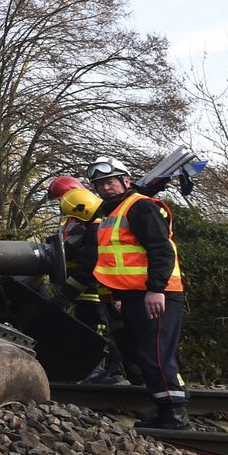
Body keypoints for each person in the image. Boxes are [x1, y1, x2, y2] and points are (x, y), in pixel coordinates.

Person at [83, 156, 190, 429]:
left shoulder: (140, 207)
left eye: (110, 182)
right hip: (133, 294)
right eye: (100, 184)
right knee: (145, 352)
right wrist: (117, 294)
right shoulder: (112, 213)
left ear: (125, 181)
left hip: (155, 293)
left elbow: (161, 250)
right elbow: (116, 259)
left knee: (155, 352)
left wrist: (156, 289)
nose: (105, 188)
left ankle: (175, 415)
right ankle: (166, 409)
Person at [47, 176, 128, 384]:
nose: (61, 205)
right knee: (91, 329)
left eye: (62, 199)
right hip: (81, 289)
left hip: (92, 289)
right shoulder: (76, 221)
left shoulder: (95, 225)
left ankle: (109, 373)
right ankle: (103, 373)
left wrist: (64, 294)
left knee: (98, 330)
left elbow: (89, 264)